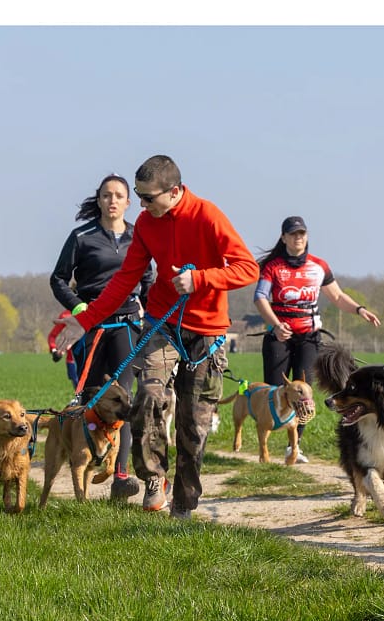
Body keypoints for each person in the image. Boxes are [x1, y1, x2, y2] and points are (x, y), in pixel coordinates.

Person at [53, 154, 258, 518]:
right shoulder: (148, 224)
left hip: (207, 330)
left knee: (192, 426)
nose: (142, 206)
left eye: (148, 198)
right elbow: (124, 280)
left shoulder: (208, 216)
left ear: (175, 191)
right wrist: (86, 320)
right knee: (147, 396)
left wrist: (199, 279)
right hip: (163, 322)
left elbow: (247, 268)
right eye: (140, 197)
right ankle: (153, 478)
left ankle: (183, 504)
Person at [50, 173, 155, 502]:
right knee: (93, 400)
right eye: (106, 195)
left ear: (128, 201)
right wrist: (79, 306)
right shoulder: (81, 237)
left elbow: (150, 281)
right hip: (92, 326)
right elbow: (58, 279)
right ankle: (84, 463)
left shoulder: (140, 237)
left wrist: (151, 317)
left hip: (126, 325)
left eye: (119, 195)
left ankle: (121, 475)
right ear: (98, 200)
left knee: (122, 398)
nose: (112, 200)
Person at [253, 215, 381, 462]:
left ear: (307, 236)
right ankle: (265, 443)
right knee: (274, 387)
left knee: (304, 393)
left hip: (309, 337)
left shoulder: (318, 266)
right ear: (284, 238)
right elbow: (259, 298)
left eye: (301, 233)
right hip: (279, 335)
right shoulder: (273, 267)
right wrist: (276, 325)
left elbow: (337, 296)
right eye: (292, 234)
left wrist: (359, 309)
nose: (297, 237)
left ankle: (295, 446)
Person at [47, 309, 79, 389]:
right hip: (72, 360)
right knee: (78, 390)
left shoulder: (93, 308)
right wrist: (54, 350)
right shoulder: (66, 315)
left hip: (92, 357)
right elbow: (52, 336)